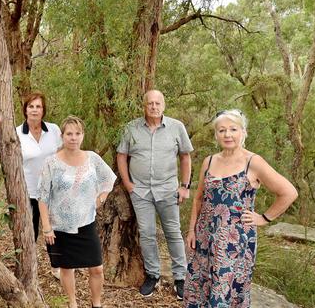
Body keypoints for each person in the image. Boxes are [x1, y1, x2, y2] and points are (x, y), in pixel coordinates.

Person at [183, 109, 297, 307]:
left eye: (233, 129)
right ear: (216, 134)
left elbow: (288, 192)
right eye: (222, 130)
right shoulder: (209, 161)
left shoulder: (253, 162)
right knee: (199, 286)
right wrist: (192, 230)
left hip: (234, 244)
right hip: (204, 237)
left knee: (225, 291)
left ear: (243, 132)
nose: (227, 135)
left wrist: (264, 218)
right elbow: (198, 198)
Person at [116, 89, 193, 299]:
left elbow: (185, 157)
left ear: (164, 105)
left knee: (173, 233)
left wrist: (185, 186)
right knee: (147, 234)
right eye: (150, 103)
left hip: (168, 190)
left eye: (157, 103)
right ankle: (152, 275)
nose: (154, 106)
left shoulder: (177, 128)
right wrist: (128, 185)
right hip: (140, 191)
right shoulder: (131, 128)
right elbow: (121, 156)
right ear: (144, 105)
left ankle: (180, 278)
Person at [38, 116, 116, 308]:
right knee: (67, 268)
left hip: (86, 223)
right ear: (62, 136)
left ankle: (96, 303)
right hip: (60, 228)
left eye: (77, 133)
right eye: (69, 134)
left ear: (82, 135)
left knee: (97, 268)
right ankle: (72, 303)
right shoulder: (52, 163)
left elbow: (109, 179)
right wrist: (47, 227)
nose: (73, 137)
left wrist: (101, 198)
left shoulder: (92, 158)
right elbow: (42, 196)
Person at [16, 91, 62, 279]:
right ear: (25, 110)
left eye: (38, 107)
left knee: (54, 229)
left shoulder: (53, 130)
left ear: (43, 111)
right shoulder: (17, 133)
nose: (35, 110)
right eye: (31, 106)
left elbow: (61, 154)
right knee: (30, 231)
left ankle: (57, 266)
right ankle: (28, 267)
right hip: (28, 191)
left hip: (52, 190)